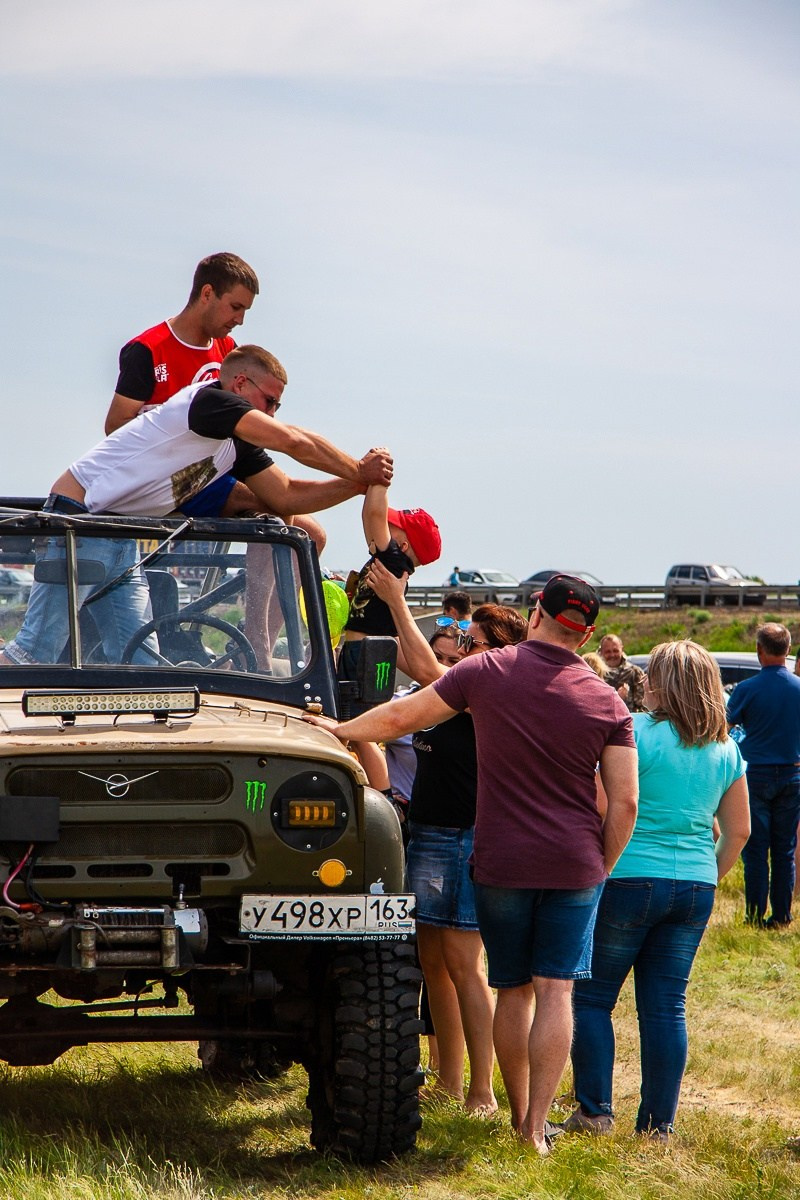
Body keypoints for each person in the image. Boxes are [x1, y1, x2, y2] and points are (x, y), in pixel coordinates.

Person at [304, 573, 639, 1155]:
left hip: (501, 857)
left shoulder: (488, 671)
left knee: (510, 988)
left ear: (537, 613)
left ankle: (514, 1116)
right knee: (556, 991)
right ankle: (538, 1127)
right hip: (574, 862)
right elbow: (626, 800)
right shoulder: (606, 700)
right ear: (586, 635)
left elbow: (403, 718)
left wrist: (337, 728)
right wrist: (600, 865)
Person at [1, 345, 391, 667]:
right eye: (269, 401)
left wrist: (357, 484)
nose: (271, 413)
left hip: (119, 535)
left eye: (277, 406)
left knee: (141, 661)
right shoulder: (210, 402)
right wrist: (359, 467)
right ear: (240, 383)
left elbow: (285, 495)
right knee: (32, 655)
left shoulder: (235, 443)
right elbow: (293, 441)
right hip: (79, 521)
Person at [568, 641, 750, 1141]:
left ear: (664, 683)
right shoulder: (726, 748)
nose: (644, 682)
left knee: (592, 998)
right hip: (695, 884)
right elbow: (738, 832)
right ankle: (658, 1127)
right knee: (667, 1005)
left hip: (627, 876)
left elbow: (607, 805)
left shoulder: (634, 733)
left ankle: (594, 1112)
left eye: (652, 675)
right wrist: (710, 875)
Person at [368, 556, 527, 1115]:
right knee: (432, 964)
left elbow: (419, 658)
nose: (459, 642)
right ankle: (447, 1083)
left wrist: (395, 600)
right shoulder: (453, 687)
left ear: (497, 652)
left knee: (465, 966)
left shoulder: (485, 692)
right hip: (431, 834)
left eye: (472, 637)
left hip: (465, 838)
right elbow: (421, 664)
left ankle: (481, 1091)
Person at [725, 623, 800, 927]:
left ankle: (754, 915)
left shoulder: (746, 689)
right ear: (789, 650)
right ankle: (782, 915)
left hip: (755, 775)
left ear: (759, 650)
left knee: (756, 850)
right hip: (793, 775)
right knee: (784, 851)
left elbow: (725, 729)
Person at [340, 485, 441, 684]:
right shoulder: (392, 565)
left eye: (392, 528)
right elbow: (370, 518)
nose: (385, 528)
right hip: (364, 653)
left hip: (364, 655)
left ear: (402, 547)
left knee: (353, 707)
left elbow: (375, 515)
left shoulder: (394, 564)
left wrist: (381, 480)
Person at [599, 634, 647, 712]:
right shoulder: (595, 673)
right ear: (601, 652)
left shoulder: (634, 672)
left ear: (622, 649)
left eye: (615, 651)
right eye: (608, 652)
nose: (612, 655)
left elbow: (644, 705)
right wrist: (617, 698)